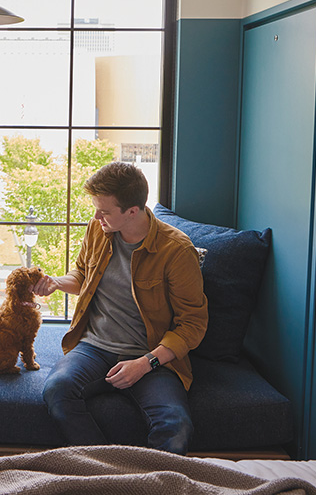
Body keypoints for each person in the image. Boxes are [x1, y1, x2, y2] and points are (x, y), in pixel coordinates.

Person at [33, 162, 208, 455]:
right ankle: (107, 472)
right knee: (57, 390)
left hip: (152, 356)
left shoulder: (176, 251)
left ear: (132, 211)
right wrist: (55, 282)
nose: (95, 216)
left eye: (104, 211)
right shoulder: (98, 230)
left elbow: (193, 325)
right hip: (94, 347)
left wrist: (145, 364)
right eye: (95, 208)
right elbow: (83, 276)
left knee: (176, 425)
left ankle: (149, 484)